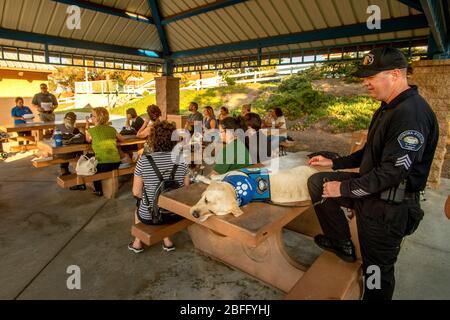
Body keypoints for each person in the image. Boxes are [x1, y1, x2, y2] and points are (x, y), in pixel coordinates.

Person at [307, 47, 439, 300]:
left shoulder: (411, 114)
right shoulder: (387, 107)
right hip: (371, 190)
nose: (365, 82)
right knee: (319, 182)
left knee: (376, 270)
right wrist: (333, 164)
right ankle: (341, 242)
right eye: (364, 77)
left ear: (396, 74)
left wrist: (343, 189)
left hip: (389, 206)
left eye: (371, 76)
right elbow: (370, 152)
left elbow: (392, 173)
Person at [129, 121, 190, 253]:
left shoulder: (144, 160)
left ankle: (137, 243)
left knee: (139, 206)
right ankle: (167, 241)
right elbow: (186, 188)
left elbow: (136, 192)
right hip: (176, 213)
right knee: (162, 203)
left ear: (152, 139)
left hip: (151, 216)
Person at [85, 107, 125, 197]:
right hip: (116, 162)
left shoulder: (92, 130)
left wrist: (87, 125)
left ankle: (98, 190)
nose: (91, 117)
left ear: (98, 118)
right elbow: (122, 139)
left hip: (103, 163)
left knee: (92, 169)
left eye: (93, 116)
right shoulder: (112, 129)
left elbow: (88, 140)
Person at [55, 112, 85, 181]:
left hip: (60, 154)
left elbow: (54, 140)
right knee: (80, 147)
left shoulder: (58, 128)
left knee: (64, 150)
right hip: (72, 154)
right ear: (74, 121)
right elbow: (82, 140)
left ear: (64, 119)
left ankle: (64, 168)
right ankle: (79, 165)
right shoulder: (75, 130)